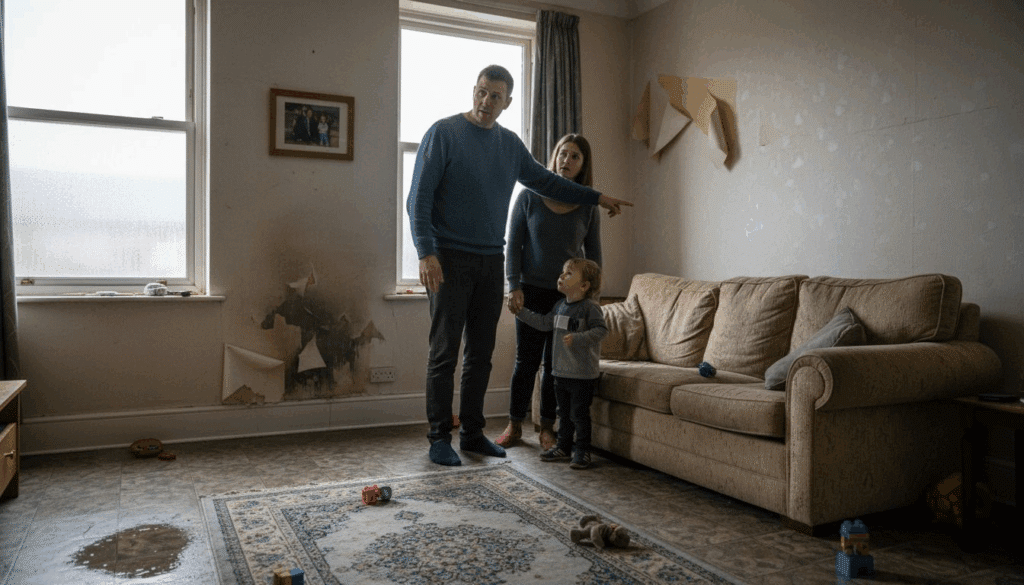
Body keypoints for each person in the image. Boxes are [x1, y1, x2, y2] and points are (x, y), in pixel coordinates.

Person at [406, 64, 632, 467]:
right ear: (472, 91)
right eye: (481, 92)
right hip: (448, 259)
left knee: (481, 353)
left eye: (495, 96)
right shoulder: (443, 134)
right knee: (444, 353)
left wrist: (596, 197)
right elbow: (418, 198)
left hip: (490, 260)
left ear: (507, 102)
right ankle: (440, 436)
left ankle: (473, 434)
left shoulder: (510, 145)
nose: (485, 101)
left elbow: (548, 182)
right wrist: (426, 252)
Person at [496, 134, 601, 451]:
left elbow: (593, 255)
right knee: (525, 362)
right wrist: (513, 285)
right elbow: (513, 244)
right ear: (554, 158)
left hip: (567, 299)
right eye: (563, 154)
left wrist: (591, 296)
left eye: (575, 157)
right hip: (530, 291)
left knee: (555, 365)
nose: (567, 161)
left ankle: (546, 428)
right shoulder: (529, 196)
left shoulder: (587, 205)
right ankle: (515, 425)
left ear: (583, 166)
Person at [511, 258, 607, 469]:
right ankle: (564, 446)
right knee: (563, 414)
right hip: (560, 373)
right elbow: (544, 323)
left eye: (569, 274)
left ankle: (582, 451)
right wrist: (521, 313)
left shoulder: (590, 309)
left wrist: (578, 338)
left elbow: (601, 331)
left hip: (582, 375)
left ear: (584, 286)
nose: (562, 276)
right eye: (563, 272)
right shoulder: (559, 307)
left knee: (579, 415)